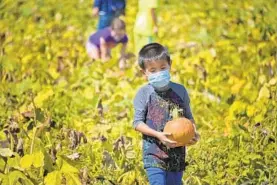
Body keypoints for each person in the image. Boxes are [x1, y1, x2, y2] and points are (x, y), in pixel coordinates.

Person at [132, 43, 199, 185]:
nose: (158, 73)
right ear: (144, 72)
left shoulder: (180, 91)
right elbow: (137, 123)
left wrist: (193, 134)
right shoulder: (144, 93)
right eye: (153, 70)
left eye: (163, 68)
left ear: (170, 65)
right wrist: (158, 135)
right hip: (154, 152)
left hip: (177, 153)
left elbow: (189, 117)